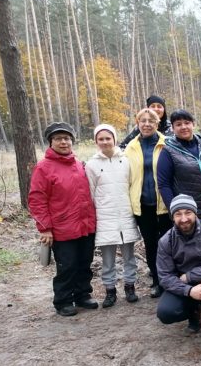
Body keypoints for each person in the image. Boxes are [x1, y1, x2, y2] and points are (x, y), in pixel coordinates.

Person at [28, 122, 97, 316]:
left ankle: (82, 295)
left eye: (66, 138)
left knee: (85, 262)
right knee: (67, 266)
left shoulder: (78, 164)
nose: (63, 142)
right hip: (62, 227)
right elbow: (36, 199)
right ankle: (63, 300)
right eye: (58, 139)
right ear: (51, 142)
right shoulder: (43, 168)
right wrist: (45, 228)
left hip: (85, 224)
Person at [156, 195, 201, 355]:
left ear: (195, 213)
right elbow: (165, 277)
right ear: (172, 217)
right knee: (165, 313)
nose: (184, 219)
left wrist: (189, 276)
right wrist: (189, 290)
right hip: (184, 287)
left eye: (188, 212)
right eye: (178, 214)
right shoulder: (165, 241)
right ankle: (194, 312)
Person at [86, 124, 141, 307]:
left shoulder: (125, 160)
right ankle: (110, 291)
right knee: (107, 260)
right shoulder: (92, 165)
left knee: (129, 257)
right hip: (105, 218)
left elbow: (133, 185)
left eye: (108, 138)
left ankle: (130, 287)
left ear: (114, 140)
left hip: (125, 215)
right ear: (96, 142)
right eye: (100, 139)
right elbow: (90, 193)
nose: (105, 142)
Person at [124, 108, 172, 298]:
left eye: (151, 121)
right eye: (142, 121)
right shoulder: (131, 147)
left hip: (165, 204)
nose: (146, 124)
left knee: (168, 243)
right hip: (143, 205)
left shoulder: (167, 144)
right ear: (137, 123)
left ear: (157, 123)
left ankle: (172, 279)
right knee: (151, 244)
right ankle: (157, 281)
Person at [157, 109, 201, 220]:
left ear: (193, 124)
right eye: (178, 124)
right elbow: (164, 185)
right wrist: (175, 211)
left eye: (187, 123)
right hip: (190, 215)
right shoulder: (168, 152)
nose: (183, 127)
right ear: (172, 128)